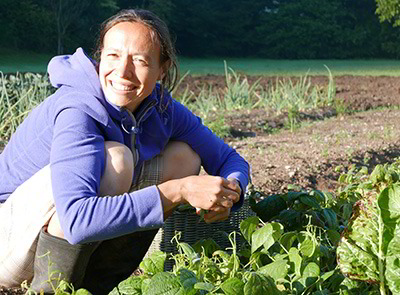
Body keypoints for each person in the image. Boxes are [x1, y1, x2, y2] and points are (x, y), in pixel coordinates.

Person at [0, 9, 250, 295]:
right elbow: (77, 221)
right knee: (116, 160)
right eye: (113, 56)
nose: (123, 72)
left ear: (162, 69)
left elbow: (230, 159)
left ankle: (96, 287)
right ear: (100, 57)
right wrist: (177, 191)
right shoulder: (77, 109)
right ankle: (52, 290)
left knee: (184, 158)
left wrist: (230, 194)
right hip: (7, 240)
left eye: (140, 60)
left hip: (57, 230)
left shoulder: (160, 107)